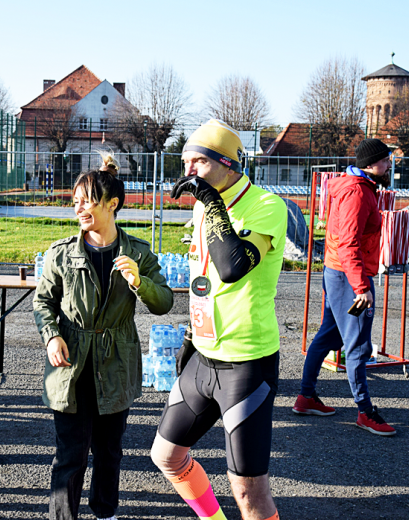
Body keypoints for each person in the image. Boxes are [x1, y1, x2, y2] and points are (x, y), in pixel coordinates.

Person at [151, 120, 286, 520]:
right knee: (167, 456)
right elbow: (205, 280)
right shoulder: (202, 208)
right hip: (204, 356)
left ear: (229, 164)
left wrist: (210, 204)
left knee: (248, 494)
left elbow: (230, 268)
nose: (188, 171)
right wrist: (192, 335)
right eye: (184, 161)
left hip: (246, 362)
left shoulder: (266, 205)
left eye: (199, 162)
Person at [33, 152, 173, 520]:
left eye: (87, 201)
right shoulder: (61, 253)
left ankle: (105, 513)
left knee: (110, 451)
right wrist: (51, 336)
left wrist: (140, 283)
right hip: (72, 365)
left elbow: (164, 303)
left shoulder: (137, 253)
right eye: (75, 201)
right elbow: (43, 301)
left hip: (116, 362)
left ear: (112, 204)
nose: (79, 209)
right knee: (71, 454)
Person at [293, 138, 397, 437]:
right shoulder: (356, 192)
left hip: (339, 273)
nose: (388, 164)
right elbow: (348, 242)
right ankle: (365, 412)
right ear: (370, 165)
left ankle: (306, 397)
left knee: (329, 335)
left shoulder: (356, 186)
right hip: (350, 277)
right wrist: (361, 287)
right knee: (358, 345)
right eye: (385, 160)